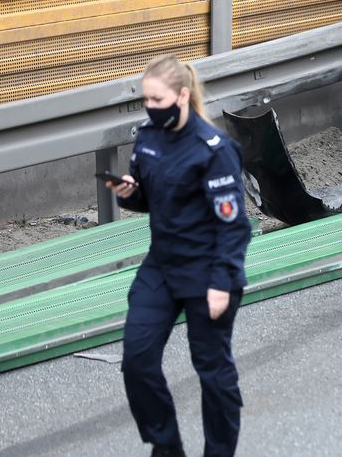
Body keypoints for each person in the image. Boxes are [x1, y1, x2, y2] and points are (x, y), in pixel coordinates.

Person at [107, 54, 252, 456]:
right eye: (146, 101)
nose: (150, 108)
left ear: (182, 95)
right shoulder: (148, 138)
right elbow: (152, 200)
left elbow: (234, 226)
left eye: (157, 100)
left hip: (208, 272)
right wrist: (130, 194)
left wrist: (222, 281)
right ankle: (166, 447)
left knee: (212, 371)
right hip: (162, 266)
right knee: (137, 360)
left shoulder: (215, 149)